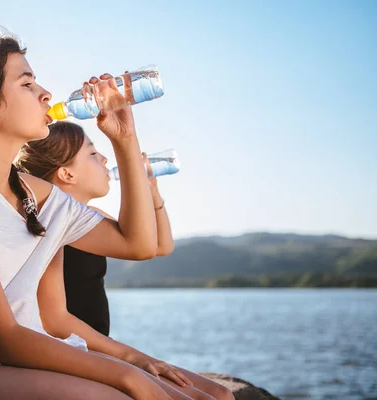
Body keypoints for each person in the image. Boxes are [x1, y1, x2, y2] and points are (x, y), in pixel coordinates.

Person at [0, 33, 230, 400]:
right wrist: (127, 374)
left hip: (23, 357)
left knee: (215, 396)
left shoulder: (32, 192)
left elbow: (137, 244)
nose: (45, 93)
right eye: (26, 83)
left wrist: (124, 139)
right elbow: (1, 338)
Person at [16, 121, 234, 400]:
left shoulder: (90, 218)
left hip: (101, 347)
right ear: (66, 173)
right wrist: (132, 357)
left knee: (221, 394)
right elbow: (53, 319)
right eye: (93, 154)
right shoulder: (48, 223)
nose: (105, 159)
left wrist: (151, 191)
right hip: (75, 350)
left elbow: (159, 246)